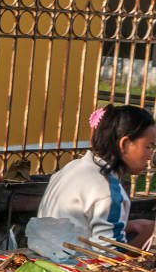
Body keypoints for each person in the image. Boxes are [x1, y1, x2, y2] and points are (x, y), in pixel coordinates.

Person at [37, 105, 156, 248]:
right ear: (124, 144)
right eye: (148, 147)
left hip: (45, 255)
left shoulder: (73, 167)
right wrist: (146, 235)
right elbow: (109, 258)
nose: (150, 156)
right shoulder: (107, 189)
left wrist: (130, 226)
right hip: (72, 267)